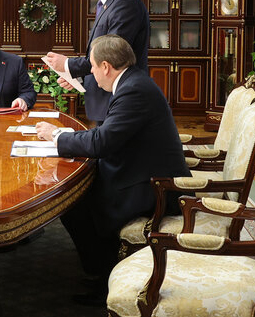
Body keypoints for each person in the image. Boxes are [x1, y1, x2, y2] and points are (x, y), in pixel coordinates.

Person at [36, 35, 190, 306]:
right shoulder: (133, 82)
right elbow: (108, 134)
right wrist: (68, 137)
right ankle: (101, 270)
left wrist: (56, 136)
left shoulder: (133, 90)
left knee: (74, 202)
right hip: (140, 170)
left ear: (106, 66)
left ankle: (103, 275)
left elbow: (102, 143)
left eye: (93, 67)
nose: (92, 74)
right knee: (79, 194)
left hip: (152, 186)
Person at [44, 0, 149, 123]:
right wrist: (78, 78)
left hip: (117, 101)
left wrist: (68, 64)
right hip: (106, 101)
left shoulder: (124, 4)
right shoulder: (112, 1)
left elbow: (111, 56)